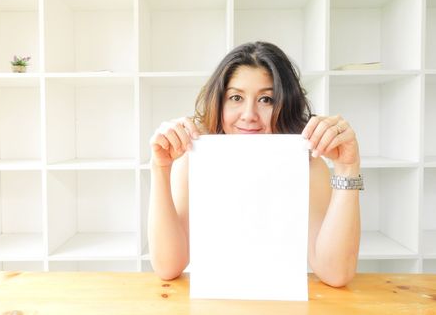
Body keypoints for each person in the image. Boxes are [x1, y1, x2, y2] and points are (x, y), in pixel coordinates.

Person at [148, 41, 362, 288]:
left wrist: (348, 168)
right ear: (219, 102)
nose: (249, 114)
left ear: (285, 105)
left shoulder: (309, 167)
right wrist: (160, 168)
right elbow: (167, 267)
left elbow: (336, 274)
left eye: (266, 99)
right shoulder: (193, 163)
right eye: (236, 97)